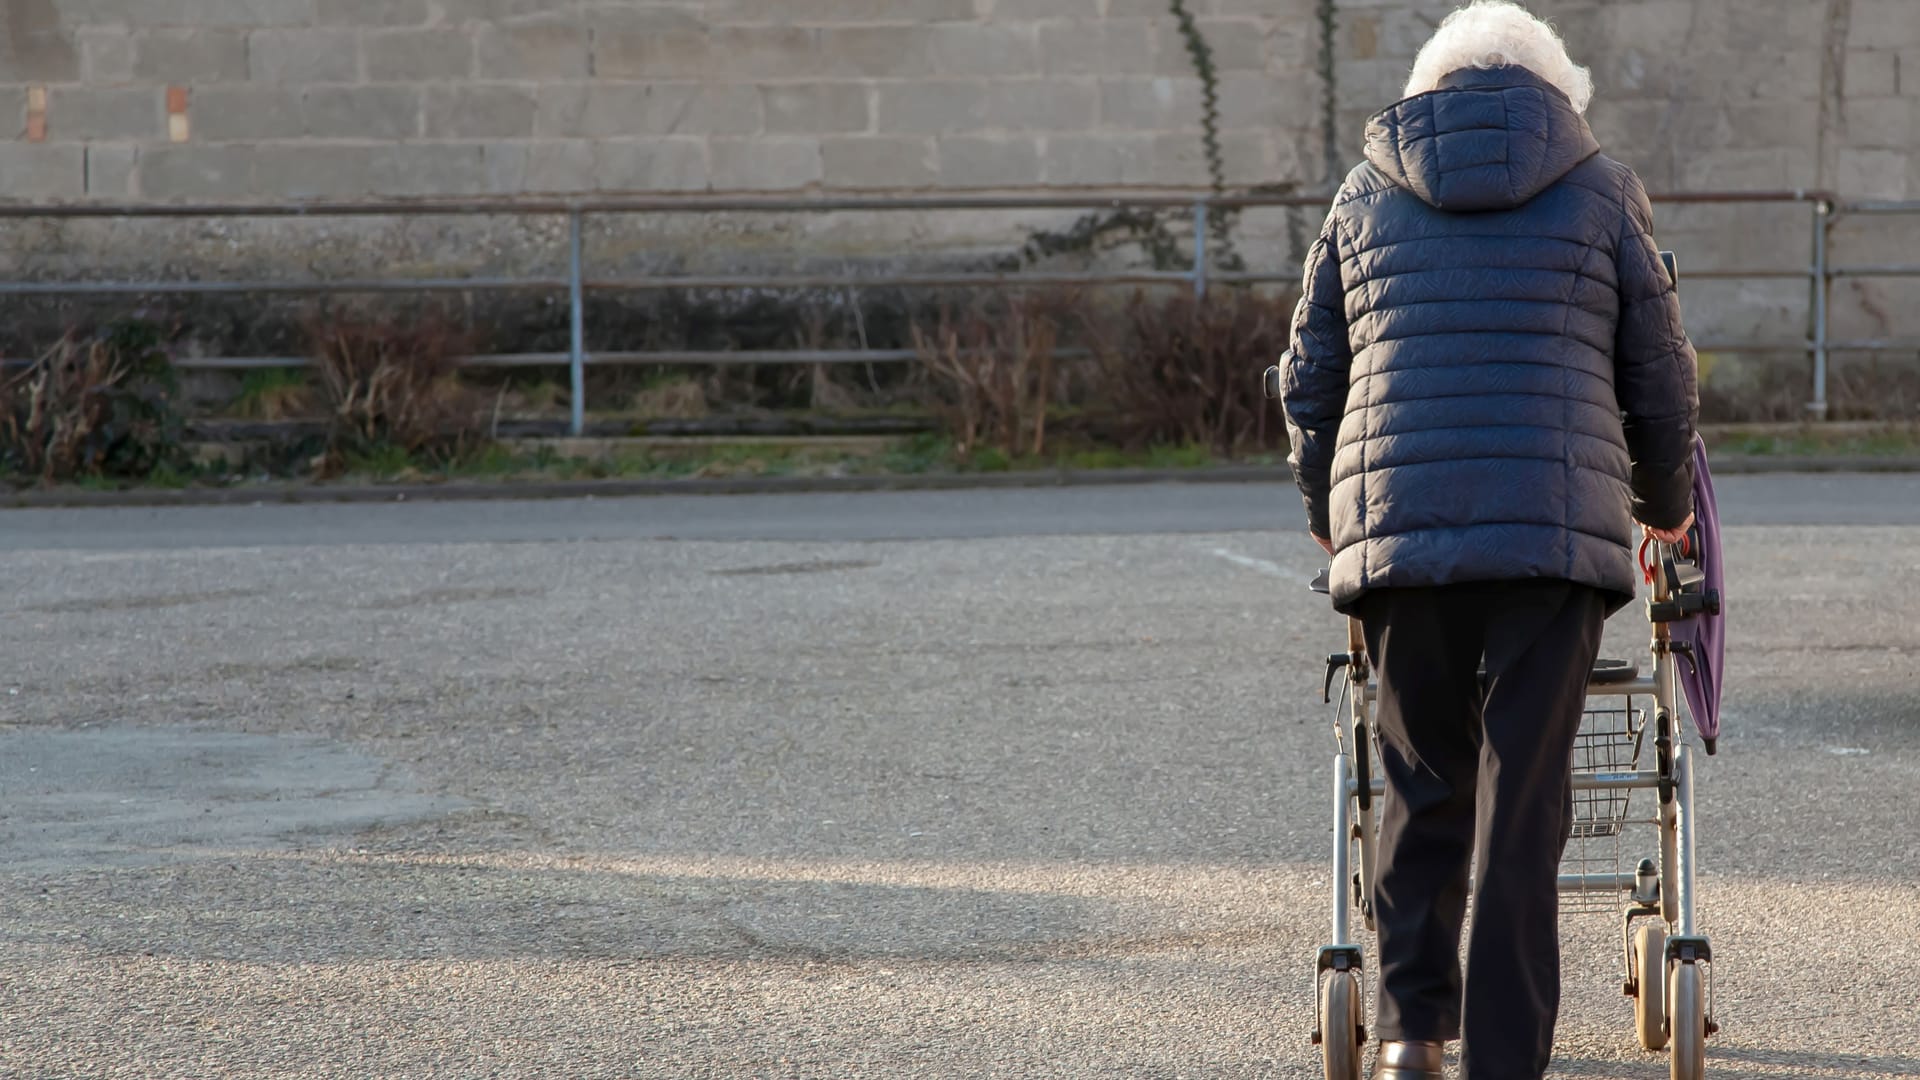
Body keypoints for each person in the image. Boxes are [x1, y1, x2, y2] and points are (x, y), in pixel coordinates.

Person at [1277, 2, 1697, 1078]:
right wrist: (1663, 502)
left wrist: (1336, 513)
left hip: (1402, 537)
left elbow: (1312, 378)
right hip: (1554, 537)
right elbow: (1657, 376)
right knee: (1526, 800)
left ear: (1430, 87)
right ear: (1557, 95)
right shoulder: (1603, 190)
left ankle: (1417, 1034)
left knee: (1420, 784)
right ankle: (1505, 1058)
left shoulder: (1364, 191)